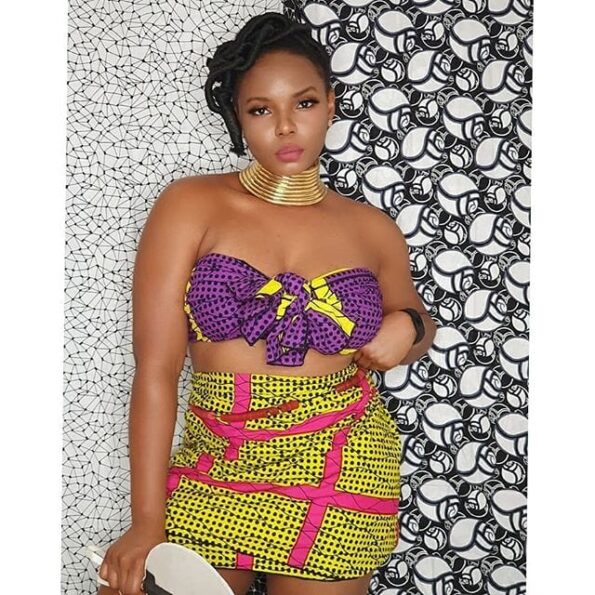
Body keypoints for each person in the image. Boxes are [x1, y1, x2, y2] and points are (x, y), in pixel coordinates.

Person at [97, 11, 436, 595]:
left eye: (303, 103)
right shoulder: (189, 205)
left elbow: (417, 325)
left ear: (330, 105)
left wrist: (407, 325)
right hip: (214, 462)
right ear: (238, 118)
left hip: (342, 463)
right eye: (260, 110)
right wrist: (147, 520)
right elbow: (155, 371)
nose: (285, 127)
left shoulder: (373, 229)